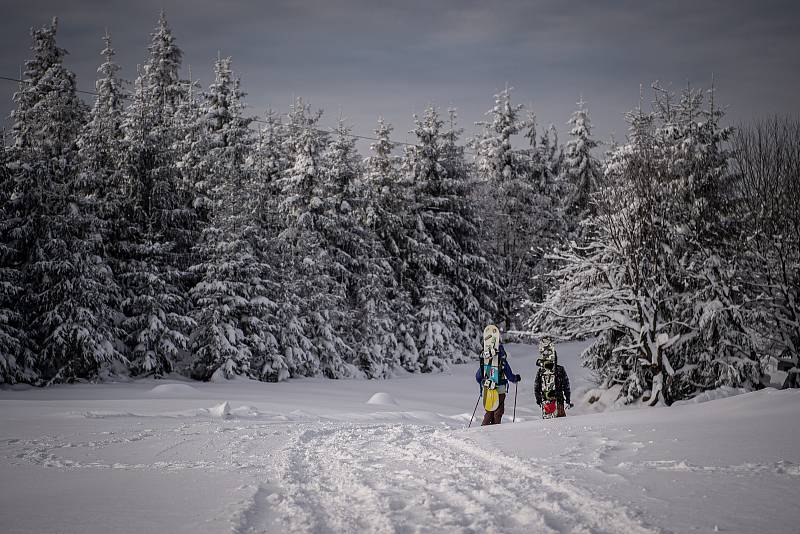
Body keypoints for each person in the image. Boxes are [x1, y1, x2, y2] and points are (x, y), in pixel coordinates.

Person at [475, 342, 521, 425]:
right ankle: (495, 431)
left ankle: (483, 430)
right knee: (498, 412)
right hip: (500, 391)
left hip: (488, 390)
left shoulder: (485, 362)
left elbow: (478, 377)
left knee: (489, 411)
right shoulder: (502, 362)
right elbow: (510, 376)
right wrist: (516, 378)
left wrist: (484, 383)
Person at [534, 336, 572, 417]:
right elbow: (566, 386)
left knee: (551, 424)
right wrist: (568, 399)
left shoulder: (543, 371)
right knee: (557, 425)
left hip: (550, 401)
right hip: (554, 401)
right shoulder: (558, 369)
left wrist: (539, 399)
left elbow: (537, 386)